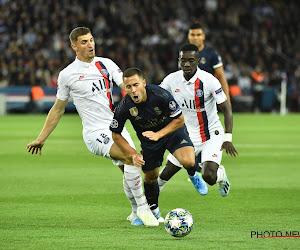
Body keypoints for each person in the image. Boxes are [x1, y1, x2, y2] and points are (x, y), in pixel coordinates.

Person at [26, 27, 158, 227]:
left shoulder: (106, 64)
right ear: (74, 46)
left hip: (116, 127)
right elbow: (58, 109)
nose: (90, 45)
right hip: (95, 132)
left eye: (91, 40)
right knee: (130, 157)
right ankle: (143, 208)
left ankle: (135, 212)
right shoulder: (68, 75)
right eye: (84, 42)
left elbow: (127, 87)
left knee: (130, 168)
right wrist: (41, 138)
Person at [110, 68, 207, 220]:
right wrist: (133, 154)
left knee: (188, 161)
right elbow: (116, 134)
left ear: (143, 83)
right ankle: (154, 212)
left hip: (173, 132)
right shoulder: (124, 106)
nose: (133, 90)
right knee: (150, 177)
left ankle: (193, 174)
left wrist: (159, 134)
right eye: (128, 87)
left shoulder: (160, 94)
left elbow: (179, 120)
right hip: (149, 142)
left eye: (136, 85)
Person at [158, 43, 238, 197]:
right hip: (186, 136)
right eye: (183, 60)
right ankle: (148, 207)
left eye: (191, 60)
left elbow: (227, 110)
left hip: (210, 135)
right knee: (165, 174)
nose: (187, 64)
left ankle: (219, 174)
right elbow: (157, 97)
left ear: (198, 61)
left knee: (209, 177)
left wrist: (227, 138)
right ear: (179, 60)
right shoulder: (171, 80)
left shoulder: (209, 81)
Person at [187, 22, 232, 108]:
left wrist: (227, 102)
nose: (195, 37)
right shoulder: (183, 54)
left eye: (198, 35)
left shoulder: (211, 54)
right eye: (192, 35)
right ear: (188, 36)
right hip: (187, 100)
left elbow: (221, 77)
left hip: (206, 100)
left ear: (203, 36)